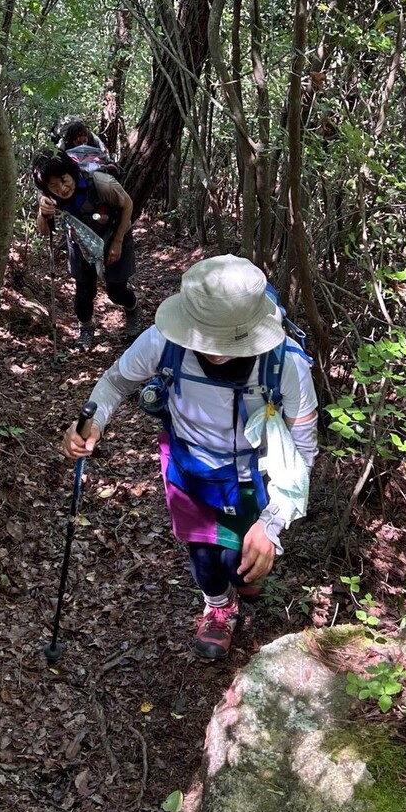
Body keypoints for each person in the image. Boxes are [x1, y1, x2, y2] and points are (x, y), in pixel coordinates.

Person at [62, 255, 319, 661]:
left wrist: (271, 524)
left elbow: (303, 448)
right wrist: (93, 422)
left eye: (225, 341)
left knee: (240, 557)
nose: (214, 352)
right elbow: (115, 382)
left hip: (256, 473)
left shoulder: (285, 363)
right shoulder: (163, 341)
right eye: (206, 339)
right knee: (203, 556)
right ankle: (219, 608)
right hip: (188, 466)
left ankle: (244, 575)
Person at [34, 148, 141, 349]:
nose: (62, 190)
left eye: (64, 181)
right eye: (54, 186)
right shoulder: (50, 199)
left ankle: (132, 308)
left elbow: (127, 205)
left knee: (116, 290)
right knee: (84, 291)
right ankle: (86, 327)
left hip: (113, 233)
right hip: (79, 242)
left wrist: (118, 242)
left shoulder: (102, 183)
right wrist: (43, 213)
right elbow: (43, 231)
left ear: (71, 172)